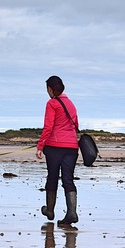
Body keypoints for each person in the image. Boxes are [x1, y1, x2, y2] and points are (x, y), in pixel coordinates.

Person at [36, 75, 79, 225]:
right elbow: (76, 124)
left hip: (55, 147)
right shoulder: (71, 104)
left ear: (50, 89)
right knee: (68, 179)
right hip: (72, 146)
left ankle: (50, 210)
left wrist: (40, 146)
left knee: (52, 177)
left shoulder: (52, 103)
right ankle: (72, 213)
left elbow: (48, 127)